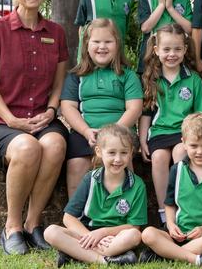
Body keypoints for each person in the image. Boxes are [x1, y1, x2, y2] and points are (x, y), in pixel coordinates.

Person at [0, 0, 69, 254]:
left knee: (54, 145)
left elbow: (57, 85)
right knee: (27, 147)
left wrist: (52, 112)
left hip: (41, 118)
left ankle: (32, 224)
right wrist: (12, 121)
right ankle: (11, 227)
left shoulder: (56, 32)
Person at [61, 18, 143, 197]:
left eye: (108, 42)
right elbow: (68, 107)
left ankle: (124, 208)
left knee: (122, 162)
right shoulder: (77, 76)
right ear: (86, 45)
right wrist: (85, 130)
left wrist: (113, 133)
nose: (102, 47)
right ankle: (77, 215)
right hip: (87, 133)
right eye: (96, 42)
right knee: (76, 165)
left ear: (117, 45)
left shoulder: (128, 75)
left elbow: (134, 108)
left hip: (120, 132)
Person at [44, 124, 147, 267]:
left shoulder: (137, 185)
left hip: (116, 236)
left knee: (134, 236)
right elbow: (69, 218)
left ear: (131, 153)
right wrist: (90, 236)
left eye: (124, 153)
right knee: (51, 232)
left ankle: (77, 254)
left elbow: (134, 227)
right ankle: (104, 260)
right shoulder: (90, 179)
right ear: (99, 151)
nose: (118, 159)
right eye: (111, 152)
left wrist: (103, 233)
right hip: (87, 233)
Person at [139, 113, 202, 266]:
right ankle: (194, 258)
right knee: (148, 234)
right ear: (183, 143)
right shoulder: (177, 170)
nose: (200, 151)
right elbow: (169, 203)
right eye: (193, 146)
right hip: (178, 234)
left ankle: (166, 254)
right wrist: (170, 224)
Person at [139, 23, 202, 227]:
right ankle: (163, 211)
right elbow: (146, 113)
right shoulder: (150, 79)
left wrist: (193, 136)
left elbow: (200, 113)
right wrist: (142, 141)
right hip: (159, 132)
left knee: (179, 154)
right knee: (158, 157)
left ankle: (183, 207)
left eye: (177, 49)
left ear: (185, 50)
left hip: (184, 133)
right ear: (157, 50)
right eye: (166, 49)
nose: (172, 54)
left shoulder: (193, 79)